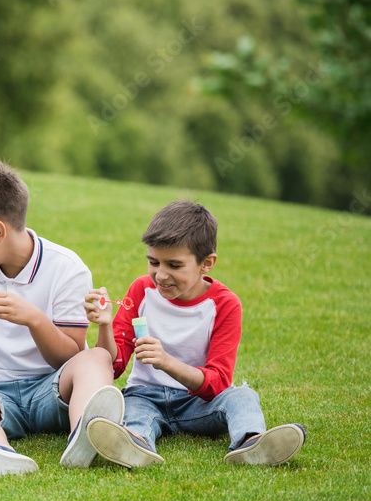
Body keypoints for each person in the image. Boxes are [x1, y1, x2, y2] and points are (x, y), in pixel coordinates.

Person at [0, 161, 124, 475]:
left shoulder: (67, 268)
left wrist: (35, 320)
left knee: (96, 359)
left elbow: (70, 357)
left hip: (51, 391)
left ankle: (84, 436)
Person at [83, 200, 306, 467]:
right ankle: (135, 443)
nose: (161, 275)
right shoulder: (141, 291)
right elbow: (114, 366)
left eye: (174, 265)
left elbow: (218, 382)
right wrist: (105, 326)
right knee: (130, 407)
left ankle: (251, 443)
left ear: (206, 263)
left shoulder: (225, 304)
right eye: (153, 262)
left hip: (198, 404)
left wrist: (167, 362)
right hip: (145, 396)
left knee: (242, 396)